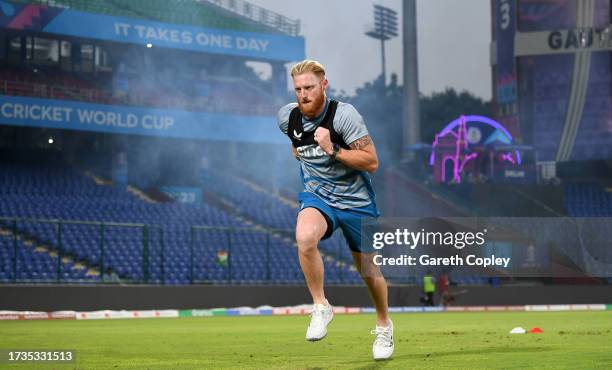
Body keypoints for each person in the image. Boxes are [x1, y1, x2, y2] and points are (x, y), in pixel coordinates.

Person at [277, 60, 393, 360]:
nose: (304, 94)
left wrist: (334, 150)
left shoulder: (344, 116)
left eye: (310, 88)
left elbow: (372, 162)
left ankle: (383, 324)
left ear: (324, 85)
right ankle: (321, 305)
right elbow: (296, 147)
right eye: (299, 89)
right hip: (319, 198)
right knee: (304, 238)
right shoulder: (286, 118)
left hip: (357, 203)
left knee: (369, 271)